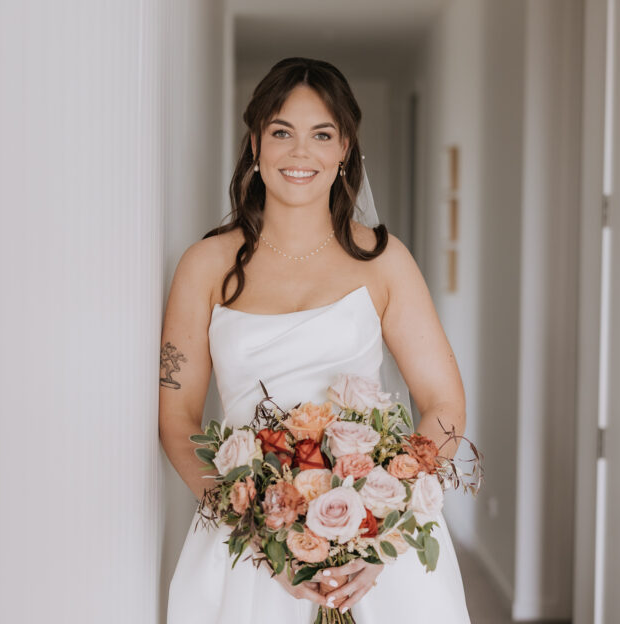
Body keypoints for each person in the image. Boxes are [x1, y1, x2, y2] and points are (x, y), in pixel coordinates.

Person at [158, 57, 472, 623]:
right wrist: (259, 533)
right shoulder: (204, 266)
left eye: (321, 135)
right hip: (246, 548)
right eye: (282, 132)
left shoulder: (384, 261)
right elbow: (177, 419)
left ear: (344, 148)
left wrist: (381, 531)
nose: (300, 153)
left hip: (378, 552)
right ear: (256, 144)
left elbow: (445, 405)